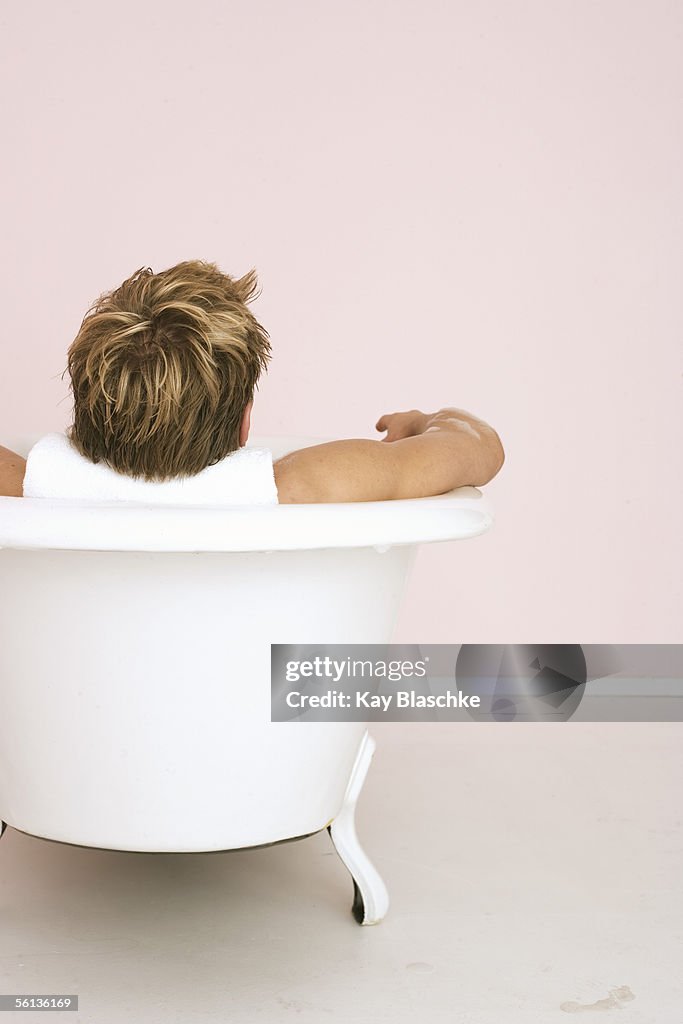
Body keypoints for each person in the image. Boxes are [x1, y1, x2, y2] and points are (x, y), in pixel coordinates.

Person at [0, 260, 504, 501]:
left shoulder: (30, 481)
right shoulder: (298, 485)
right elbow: (481, 448)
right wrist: (426, 422)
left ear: (82, 412)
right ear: (245, 423)